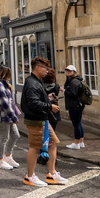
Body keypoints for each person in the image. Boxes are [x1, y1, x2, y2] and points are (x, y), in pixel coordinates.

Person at [21, 57, 68, 187]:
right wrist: (50, 107)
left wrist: (48, 102)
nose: (47, 71)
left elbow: (37, 100)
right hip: (35, 121)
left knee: (53, 143)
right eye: (45, 68)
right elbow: (33, 103)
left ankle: (51, 174)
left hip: (42, 119)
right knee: (34, 147)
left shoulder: (36, 81)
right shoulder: (32, 83)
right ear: (37, 68)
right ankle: (30, 176)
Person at [0, 65, 20, 171]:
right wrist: (13, 116)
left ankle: (8, 156)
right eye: (9, 74)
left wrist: (14, 114)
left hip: (8, 115)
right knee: (4, 138)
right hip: (2, 116)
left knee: (15, 135)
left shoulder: (4, 84)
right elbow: (4, 103)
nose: (10, 77)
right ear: (4, 74)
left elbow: (10, 101)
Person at [64, 65, 85, 149]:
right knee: (78, 123)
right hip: (77, 105)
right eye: (67, 70)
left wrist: (64, 91)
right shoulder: (73, 80)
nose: (68, 72)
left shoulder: (74, 82)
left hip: (74, 106)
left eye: (70, 71)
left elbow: (73, 94)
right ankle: (81, 142)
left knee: (76, 124)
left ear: (74, 72)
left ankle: (76, 143)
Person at [42, 68, 62, 132]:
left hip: (44, 108)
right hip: (54, 109)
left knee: (44, 131)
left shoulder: (40, 86)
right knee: (52, 131)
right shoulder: (56, 86)